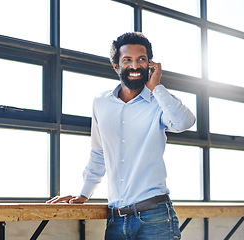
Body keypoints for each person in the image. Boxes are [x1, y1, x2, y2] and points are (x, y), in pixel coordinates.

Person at [47, 32, 195, 239]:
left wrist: (156, 86)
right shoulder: (101, 103)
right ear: (117, 66)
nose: (134, 66)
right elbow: (99, 152)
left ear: (150, 65)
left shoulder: (159, 101)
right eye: (127, 60)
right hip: (116, 219)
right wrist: (84, 193)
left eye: (141, 59)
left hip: (155, 217)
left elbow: (185, 122)